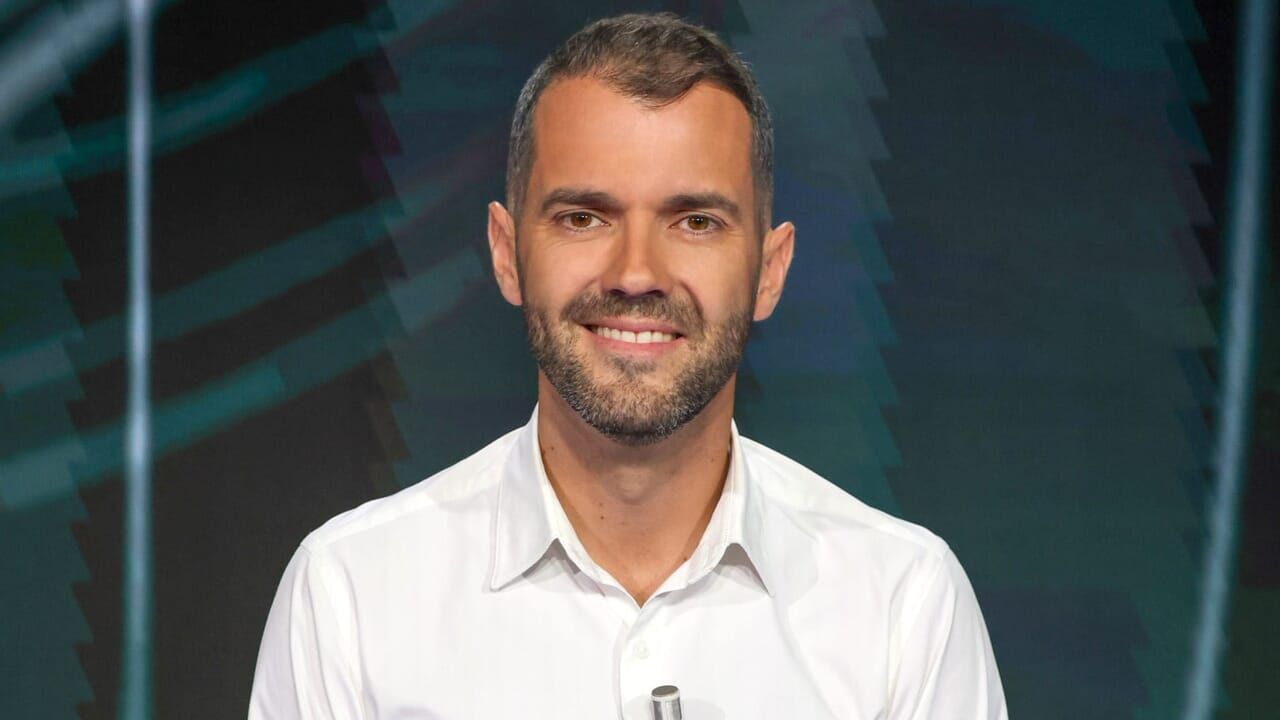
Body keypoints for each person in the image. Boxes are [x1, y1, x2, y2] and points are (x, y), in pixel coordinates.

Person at [248, 12, 1007, 720]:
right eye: (583, 218)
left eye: (695, 221)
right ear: (507, 254)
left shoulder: (903, 606)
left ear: (770, 271)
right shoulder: (351, 596)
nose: (636, 273)